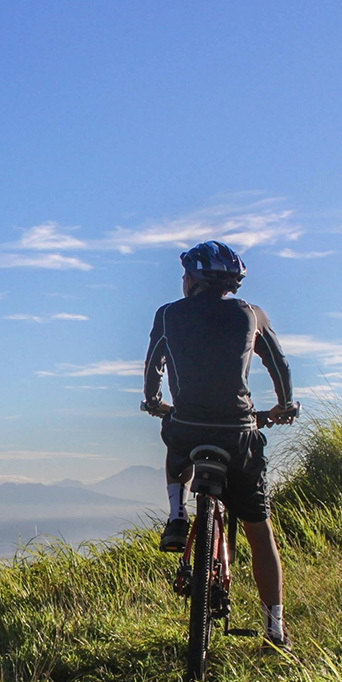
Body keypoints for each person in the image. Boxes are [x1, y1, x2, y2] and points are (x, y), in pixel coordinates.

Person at [142, 240, 299, 650]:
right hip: (239, 432)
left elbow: (153, 364)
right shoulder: (251, 314)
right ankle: (275, 629)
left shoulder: (168, 314)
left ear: (192, 279)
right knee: (259, 531)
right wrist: (284, 405)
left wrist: (155, 402)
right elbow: (278, 364)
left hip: (187, 427)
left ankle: (177, 514)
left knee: (174, 443)